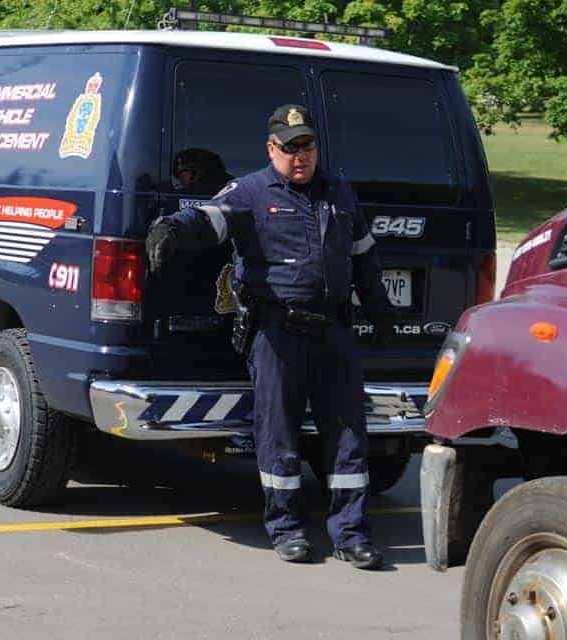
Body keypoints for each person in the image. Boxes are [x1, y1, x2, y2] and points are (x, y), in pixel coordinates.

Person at [146, 104, 391, 570]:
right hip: (278, 333)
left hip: (334, 330)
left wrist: (378, 311)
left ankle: (352, 533)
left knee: (348, 437)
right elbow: (208, 218)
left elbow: (364, 256)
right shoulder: (251, 192)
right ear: (271, 148)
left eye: (308, 145)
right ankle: (287, 529)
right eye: (290, 147)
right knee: (278, 433)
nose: (301, 156)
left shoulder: (339, 192)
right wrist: (169, 228)